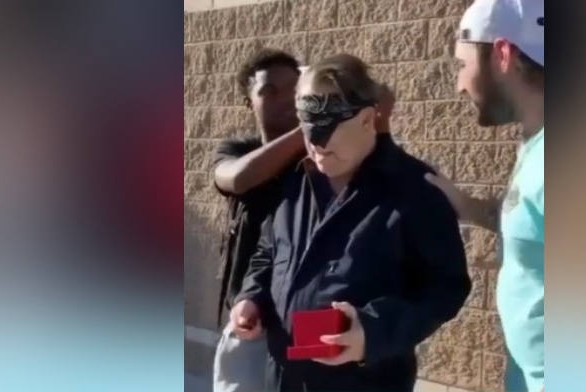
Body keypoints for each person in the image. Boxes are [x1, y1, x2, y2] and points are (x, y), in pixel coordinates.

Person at [232, 53, 472, 392]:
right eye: (308, 126)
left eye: (329, 126)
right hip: (284, 378)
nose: (316, 143)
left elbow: (446, 287)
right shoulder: (296, 182)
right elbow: (268, 251)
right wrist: (252, 296)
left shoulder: (415, 188)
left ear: (365, 120)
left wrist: (372, 332)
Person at [425, 1, 545, 391]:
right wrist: (467, 206)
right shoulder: (536, 144)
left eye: (462, 65)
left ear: (503, 54)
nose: (459, 83)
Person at [211, 49, 305, 392]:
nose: (287, 100)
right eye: (269, 91)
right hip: (249, 321)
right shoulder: (236, 152)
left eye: (295, 89)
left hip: (301, 324)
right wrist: (304, 130)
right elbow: (236, 179)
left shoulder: (322, 158)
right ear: (249, 102)